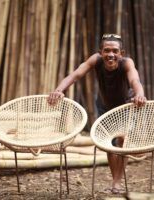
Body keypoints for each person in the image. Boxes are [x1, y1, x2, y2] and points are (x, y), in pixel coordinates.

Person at [48, 33, 147, 194]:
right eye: (106, 50)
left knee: (123, 140)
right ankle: (115, 182)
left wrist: (139, 94)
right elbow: (76, 75)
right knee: (107, 144)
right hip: (105, 106)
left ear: (121, 53)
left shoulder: (127, 63)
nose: (111, 55)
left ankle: (117, 183)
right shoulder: (95, 60)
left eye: (115, 51)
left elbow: (135, 80)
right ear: (101, 52)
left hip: (126, 107)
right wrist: (58, 90)